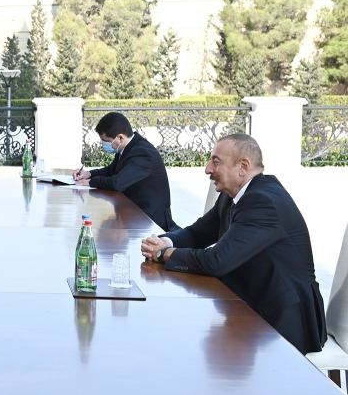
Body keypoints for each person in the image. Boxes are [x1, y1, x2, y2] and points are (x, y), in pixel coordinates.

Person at [140, 133, 327, 354]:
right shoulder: (234, 194)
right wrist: (163, 241)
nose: (207, 169)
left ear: (243, 167)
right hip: (248, 301)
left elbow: (217, 261)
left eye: (216, 161)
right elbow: (198, 233)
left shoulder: (262, 201)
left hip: (282, 319)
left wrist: (165, 254)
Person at [73, 112, 177, 231]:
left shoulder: (143, 153)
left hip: (150, 220)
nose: (103, 144)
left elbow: (117, 183)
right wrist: (89, 174)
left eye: (106, 141)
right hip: (132, 211)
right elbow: (111, 170)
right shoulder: (127, 147)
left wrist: (90, 182)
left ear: (120, 138)